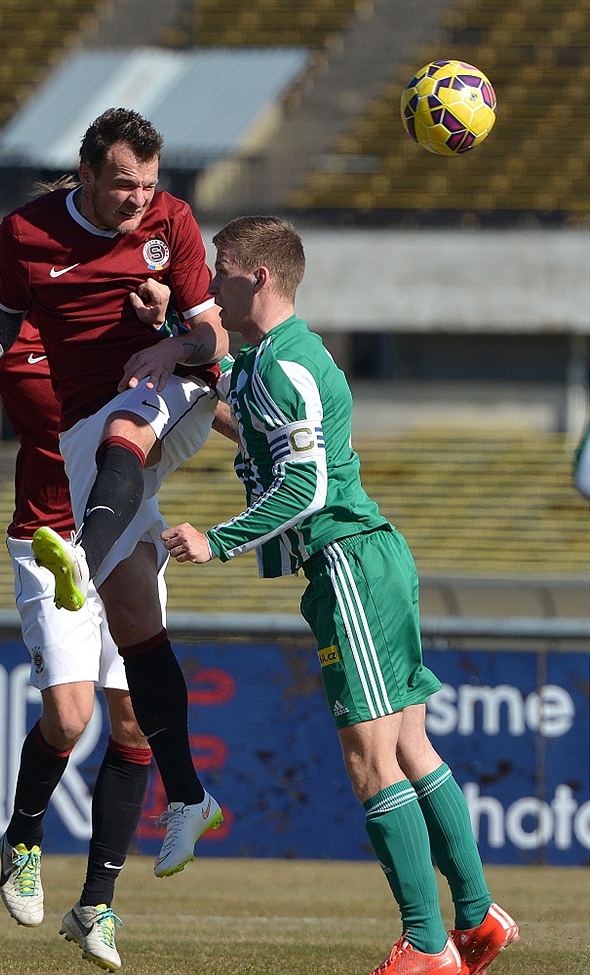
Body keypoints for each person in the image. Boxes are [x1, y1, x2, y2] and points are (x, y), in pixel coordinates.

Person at [161, 216, 520, 975]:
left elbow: (307, 485)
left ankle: (428, 946)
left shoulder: (287, 364)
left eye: (222, 270)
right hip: (368, 557)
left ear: (260, 276)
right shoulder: (273, 359)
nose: (212, 284)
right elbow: (253, 425)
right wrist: (173, 337)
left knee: (371, 762)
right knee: (411, 746)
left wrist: (218, 539)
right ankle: (477, 915)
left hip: (347, 563)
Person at [0, 107, 228, 884]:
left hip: (163, 393)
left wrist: (171, 336)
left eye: (148, 183)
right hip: (86, 432)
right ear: (87, 173)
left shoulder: (173, 221)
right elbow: (5, 311)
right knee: (138, 627)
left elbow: (214, 335)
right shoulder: (25, 233)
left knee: (126, 430)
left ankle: (77, 550)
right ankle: (188, 794)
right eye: (123, 185)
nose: (140, 199)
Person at [0, 283, 168, 972]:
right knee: (70, 719)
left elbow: (216, 400)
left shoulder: (139, 332)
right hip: (47, 545)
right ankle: (23, 837)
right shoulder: (3, 338)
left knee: (135, 721)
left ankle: (95, 903)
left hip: (129, 540)